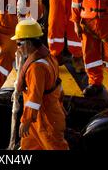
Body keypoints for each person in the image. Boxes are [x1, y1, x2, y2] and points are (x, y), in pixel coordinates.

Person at [12, 19, 69, 150]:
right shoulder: (49, 58)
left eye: (19, 43)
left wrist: (25, 120)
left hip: (45, 120)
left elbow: (34, 98)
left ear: (28, 43)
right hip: (39, 119)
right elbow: (58, 87)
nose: (18, 47)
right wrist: (60, 106)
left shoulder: (36, 68)